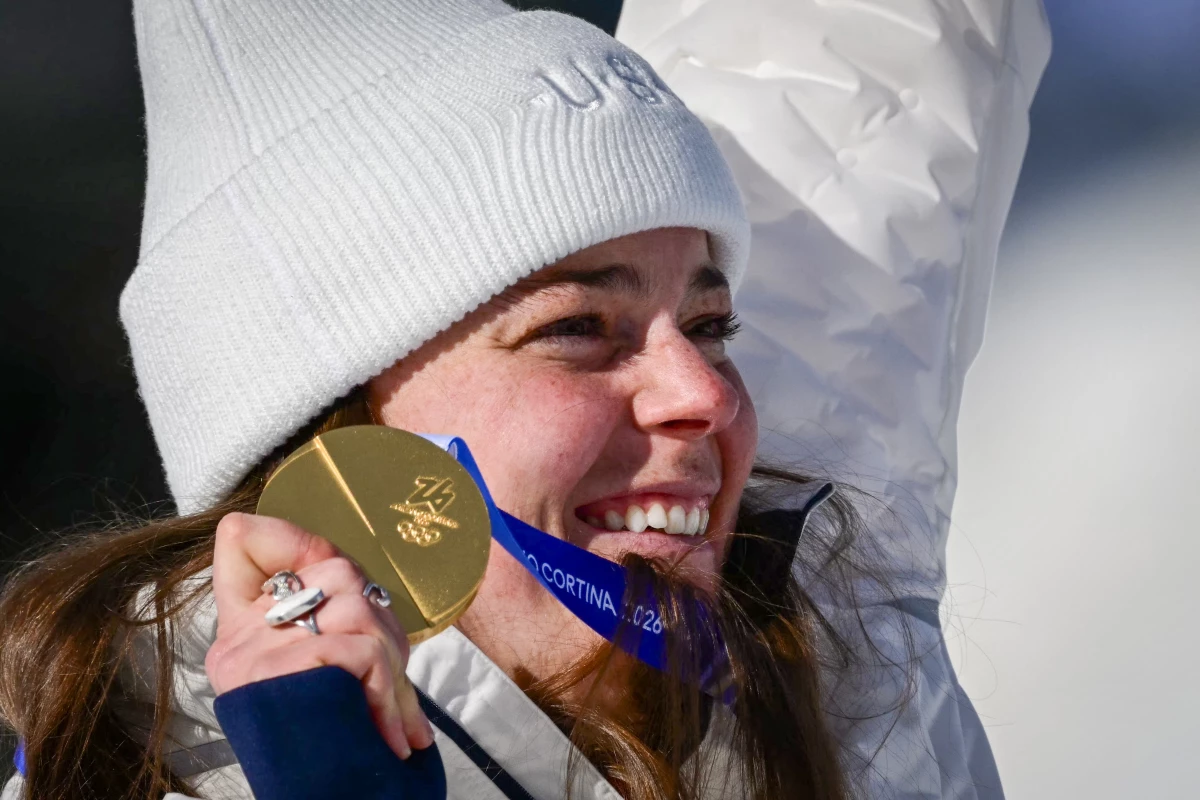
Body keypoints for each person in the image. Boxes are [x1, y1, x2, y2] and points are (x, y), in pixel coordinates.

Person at [0, 0, 1050, 798]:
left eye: (712, 325)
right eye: (578, 328)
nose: (705, 396)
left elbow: (861, 78)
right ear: (342, 435)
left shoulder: (827, 634)